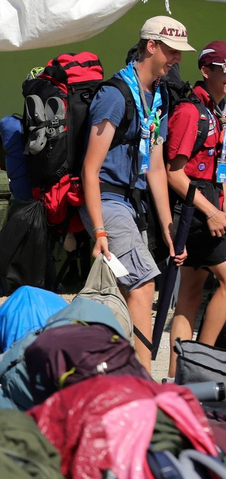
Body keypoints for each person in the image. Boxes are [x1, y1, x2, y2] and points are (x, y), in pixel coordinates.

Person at [84, 16, 194, 371]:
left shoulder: (158, 95)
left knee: (121, 287)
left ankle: (109, 366)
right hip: (106, 199)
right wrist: (99, 229)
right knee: (144, 282)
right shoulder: (115, 96)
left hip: (133, 204)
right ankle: (142, 378)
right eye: (172, 51)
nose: (177, 59)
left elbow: (157, 167)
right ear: (151, 45)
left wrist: (167, 227)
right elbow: (89, 169)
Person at [164, 40, 226, 376]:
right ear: (206, 70)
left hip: (208, 201)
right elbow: (174, 174)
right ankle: (204, 361)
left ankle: (178, 376)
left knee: (188, 296)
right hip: (195, 208)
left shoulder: (218, 111)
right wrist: (212, 211)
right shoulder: (190, 111)